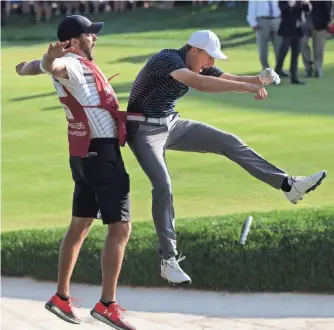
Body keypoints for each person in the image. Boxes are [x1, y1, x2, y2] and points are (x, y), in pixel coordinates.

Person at [125, 29, 327, 285]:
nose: (212, 64)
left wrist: (259, 79)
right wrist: (246, 86)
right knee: (163, 185)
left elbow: (227, 78)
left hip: (171, 124)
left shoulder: (196, 65)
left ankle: (288, 185)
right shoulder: (169, 60)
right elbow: (200, 84)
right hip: (143, 129)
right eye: (209, 57)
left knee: (228, 141)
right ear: (194, 50)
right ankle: (169, 260)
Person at [15, 15, 136, 330]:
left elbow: (30, 67)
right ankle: (107, 305)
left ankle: (61, 297)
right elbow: (49, 66)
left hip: (82, 154)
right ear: (74, 41)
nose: (95, 39)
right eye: (90, 34)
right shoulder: (68, 63)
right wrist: (50, 59)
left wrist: (33, 64)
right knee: (120, 228)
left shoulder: (72, 63)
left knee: (80, 225)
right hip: (101, 154)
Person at [246, 0, 288, 75]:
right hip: (262, 20)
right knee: (263, 47)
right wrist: (253, 22)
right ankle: (266, 69)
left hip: (276, 19)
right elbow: (251, 8)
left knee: (279, 47)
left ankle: (279, 68)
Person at [275, 1, 312, 84]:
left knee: (296, 54)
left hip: (298, 29)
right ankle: (276, 75)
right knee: (283, 53)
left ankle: (294, 77)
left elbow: (307, 10)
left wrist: (306, 3)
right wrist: (290, 4)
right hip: (287, 29)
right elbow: (283, 10)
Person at [302, 0, 333, 77]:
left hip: (320, 21)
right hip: (304, 20)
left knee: (319, 47)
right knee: (303, 44)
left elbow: (328, 5)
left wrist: (328, 21)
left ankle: (317, 68)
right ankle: (308, 68)